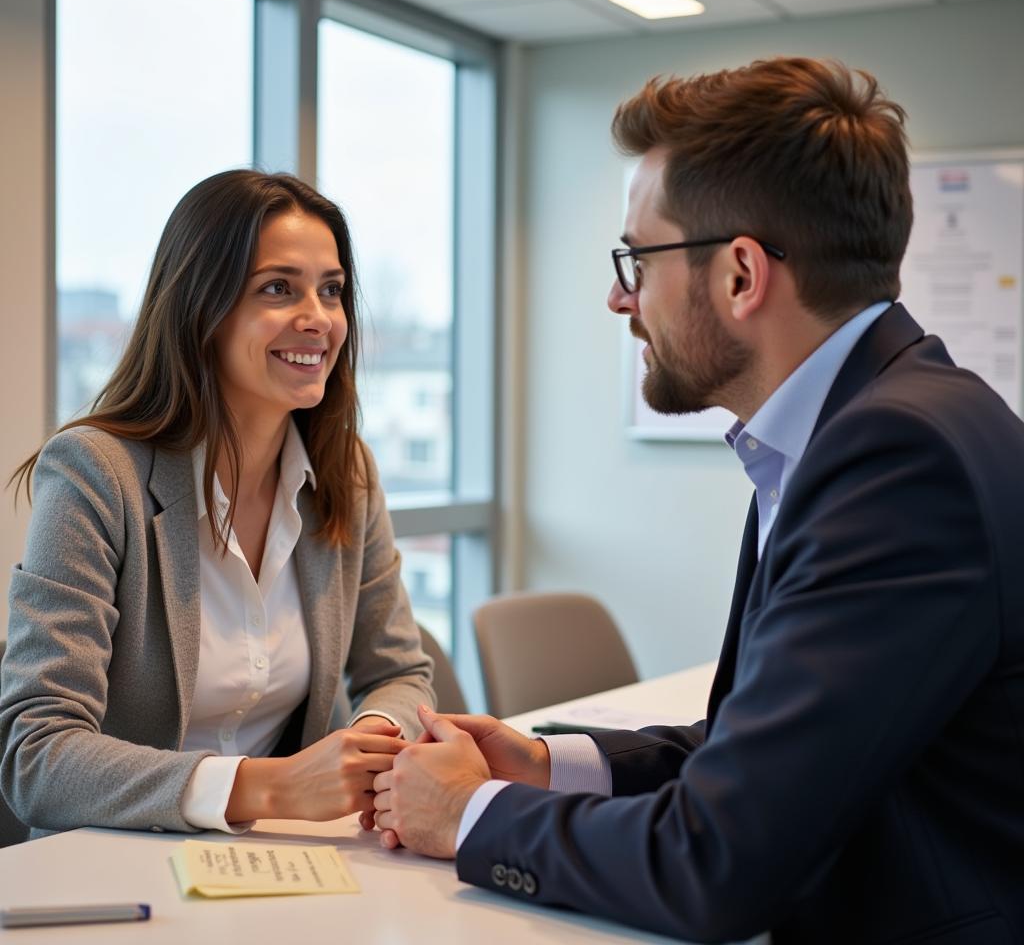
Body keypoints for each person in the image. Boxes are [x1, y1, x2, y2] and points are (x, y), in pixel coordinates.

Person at [370, 59, 1024, 943]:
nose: (618, 296)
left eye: (637, 259)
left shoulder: (893, 459)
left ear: (742, 275)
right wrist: (540, 764)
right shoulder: (875, 422)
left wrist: (471, 815)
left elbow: (717, 863)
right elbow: (758, 754)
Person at [0, 170, 434, 837]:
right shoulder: (96, 474)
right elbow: (36, 755)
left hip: (286, 858)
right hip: (114, 865)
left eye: (332, 290)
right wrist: (269, 788)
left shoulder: (347, 474)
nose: (317, 318)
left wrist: (369, 742)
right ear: (202, 307)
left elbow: (400, 670)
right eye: (277, 288)